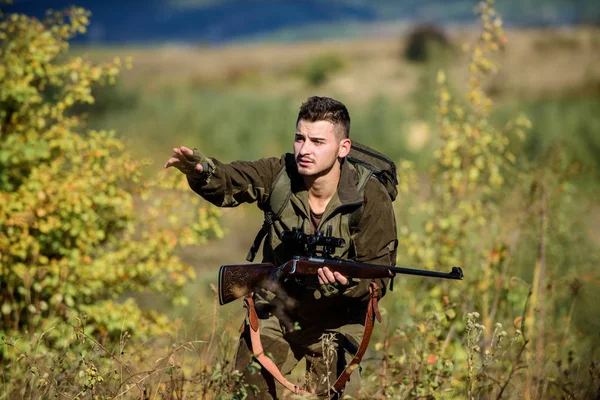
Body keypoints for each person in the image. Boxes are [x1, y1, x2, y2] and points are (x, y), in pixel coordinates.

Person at [165, 96, 397, 399]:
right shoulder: (280, 176)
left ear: (343, 148)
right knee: (247, 392)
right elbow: (232, 180)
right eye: (300, 138)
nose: (305, 150)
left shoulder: (370, 197)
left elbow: (378, 275)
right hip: (277, 311)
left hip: (337, 320)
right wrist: (201, 170)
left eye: (317, 141)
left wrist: (346, 284)